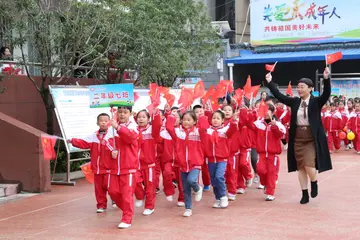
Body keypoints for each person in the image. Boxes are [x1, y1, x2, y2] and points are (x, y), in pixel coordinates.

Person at [264, 67, 332, 205]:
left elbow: (326, 93)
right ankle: (304, 193)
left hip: (311, 138)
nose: (299, 89)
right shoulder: (294, 102)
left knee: (309, 166)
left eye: (302, 87)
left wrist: (326, 79)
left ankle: (314, 181)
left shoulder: (316, 102)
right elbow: (279, 96)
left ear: (310, 88)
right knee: (300, 167)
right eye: (298, 87)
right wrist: (270, 82)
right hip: (298, 138)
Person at [67, 113, 114, 213]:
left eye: (106, 120)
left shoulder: (112, 135)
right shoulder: (93, 136)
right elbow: (83, 143)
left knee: (111, 187)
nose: (103, 122)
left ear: (110, 122)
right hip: (97, 168)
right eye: (101, 120)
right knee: (99, 189)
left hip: (109, 168)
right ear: (97, 123)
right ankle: (101, 205)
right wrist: (72, 141)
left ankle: (115, 199)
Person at [239, 104, 286, 201]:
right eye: (263, 110)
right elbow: (248, 124)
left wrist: (274, 127)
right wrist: (245, 112)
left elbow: (280, 135)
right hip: (262, 154)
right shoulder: (258, 123)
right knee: (260, 170)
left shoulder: (278, 124)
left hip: (273, 154)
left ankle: (270, 193)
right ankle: (265, 183)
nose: (265, 113)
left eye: (267, 110)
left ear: (272, 112)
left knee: (271, 173)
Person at [165, 111, 205, 217]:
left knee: (191, 180)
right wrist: (171, 116)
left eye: (189, 120)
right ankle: (188, 208)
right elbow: (169, 128)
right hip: (182, 165)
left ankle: (197, 189)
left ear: (195, 121)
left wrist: (203, 116)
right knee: (185, 188)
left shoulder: (198, 132)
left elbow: (205, 128)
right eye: (184, 120)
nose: (186, 122)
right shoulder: (179, 133)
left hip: (195, 164)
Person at [199, 110, 237, 208]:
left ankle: (223, 196)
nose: (215, 120)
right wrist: (202, 115)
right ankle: (217, 198)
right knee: (214, 180)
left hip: (222, 159)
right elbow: (202, 128)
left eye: (218, 118)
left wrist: (234, 120)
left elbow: (232, 130)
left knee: (219, 177)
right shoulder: (208, 131)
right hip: (211, 159)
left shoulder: (225, 130)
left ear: (222, 120)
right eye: (214, 118)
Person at [109, 106, 139, 229]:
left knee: (127, 194)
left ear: (130, 113)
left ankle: (127, 217)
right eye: (120, 112)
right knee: (112, 191)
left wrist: (117, 127)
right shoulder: (112, 127)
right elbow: (107, 143)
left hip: (129, 167)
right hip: (115, 167)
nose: (122, 115)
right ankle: (128, 209)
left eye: (125, 112)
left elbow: (129, 138)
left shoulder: (133, 126)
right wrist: (112, 151)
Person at [134, 109, 161, 216]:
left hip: (149, 164)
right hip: (135, 163)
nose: (141, 119)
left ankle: (150, 206)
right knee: (135, 182)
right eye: (139, 117)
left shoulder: (152, 130)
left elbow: (157, 124)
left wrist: (156, 113)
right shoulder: (134, 130)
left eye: (144, 117)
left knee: (150, 187)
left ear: (148, 119)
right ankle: (140, 196)